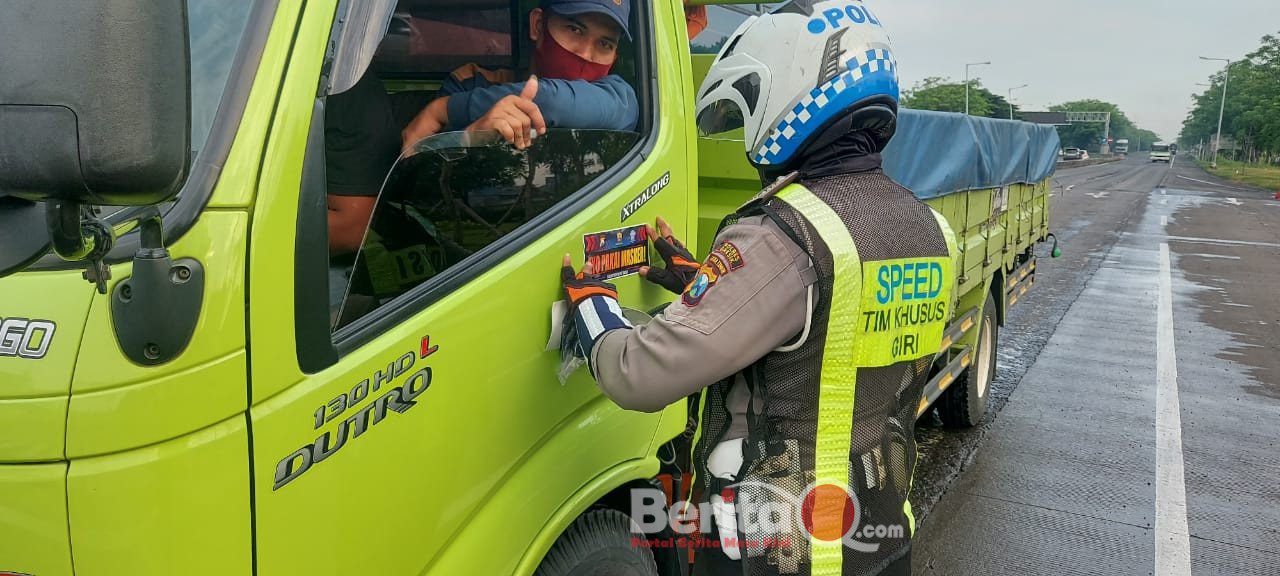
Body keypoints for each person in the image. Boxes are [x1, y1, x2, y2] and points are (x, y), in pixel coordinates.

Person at [559, 1, 958, 574]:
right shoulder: (925, 227)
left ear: (787, 90)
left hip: (778, 550)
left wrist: (592, 303)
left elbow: (639, 374)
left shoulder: (785, 233)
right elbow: (827, 330)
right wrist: (708, 282)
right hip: (879, 536)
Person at [326, 0, 640, 254]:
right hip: (477, 258)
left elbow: (554, 102)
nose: (585, 54)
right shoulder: (470, 81)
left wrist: (442, 111)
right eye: (574, 29)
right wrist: (470, 140)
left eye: (605, 44)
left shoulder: (618, 96)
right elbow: (424, 193)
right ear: (538, 26)